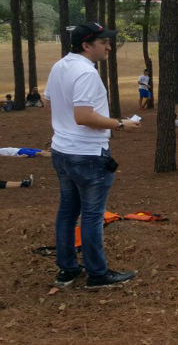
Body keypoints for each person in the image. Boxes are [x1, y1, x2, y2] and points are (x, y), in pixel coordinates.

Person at [45, 22, 141, 289]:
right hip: (87, 155)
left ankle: (67, 270)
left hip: (62, 150)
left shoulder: (60, 66)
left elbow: (49, 102)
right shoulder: (86, 73)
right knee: (91, 215)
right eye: (103, 42)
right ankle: (98, 275)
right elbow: (84, 116)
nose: (109, 46)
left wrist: (62, 126)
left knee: (67, 212)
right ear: (87, 46)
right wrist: (120, 124)